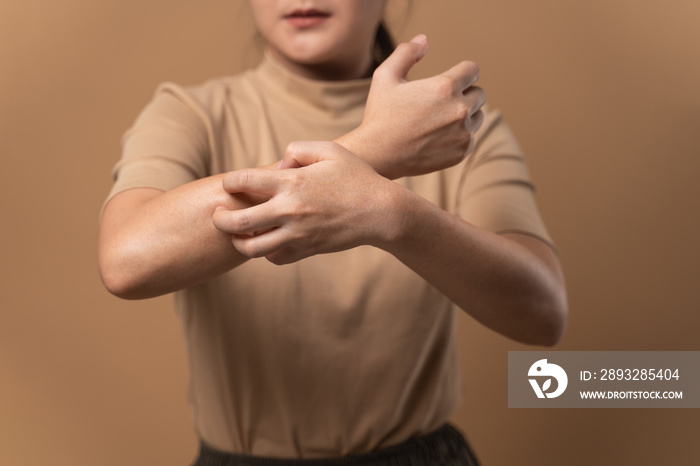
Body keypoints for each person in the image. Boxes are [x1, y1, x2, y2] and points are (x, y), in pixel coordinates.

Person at [98, 1, 568, 464]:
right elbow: (127, 260)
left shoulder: (456, 128)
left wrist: (393, 213)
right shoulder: (192, 113)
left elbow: (542, 313)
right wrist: (372, 149)